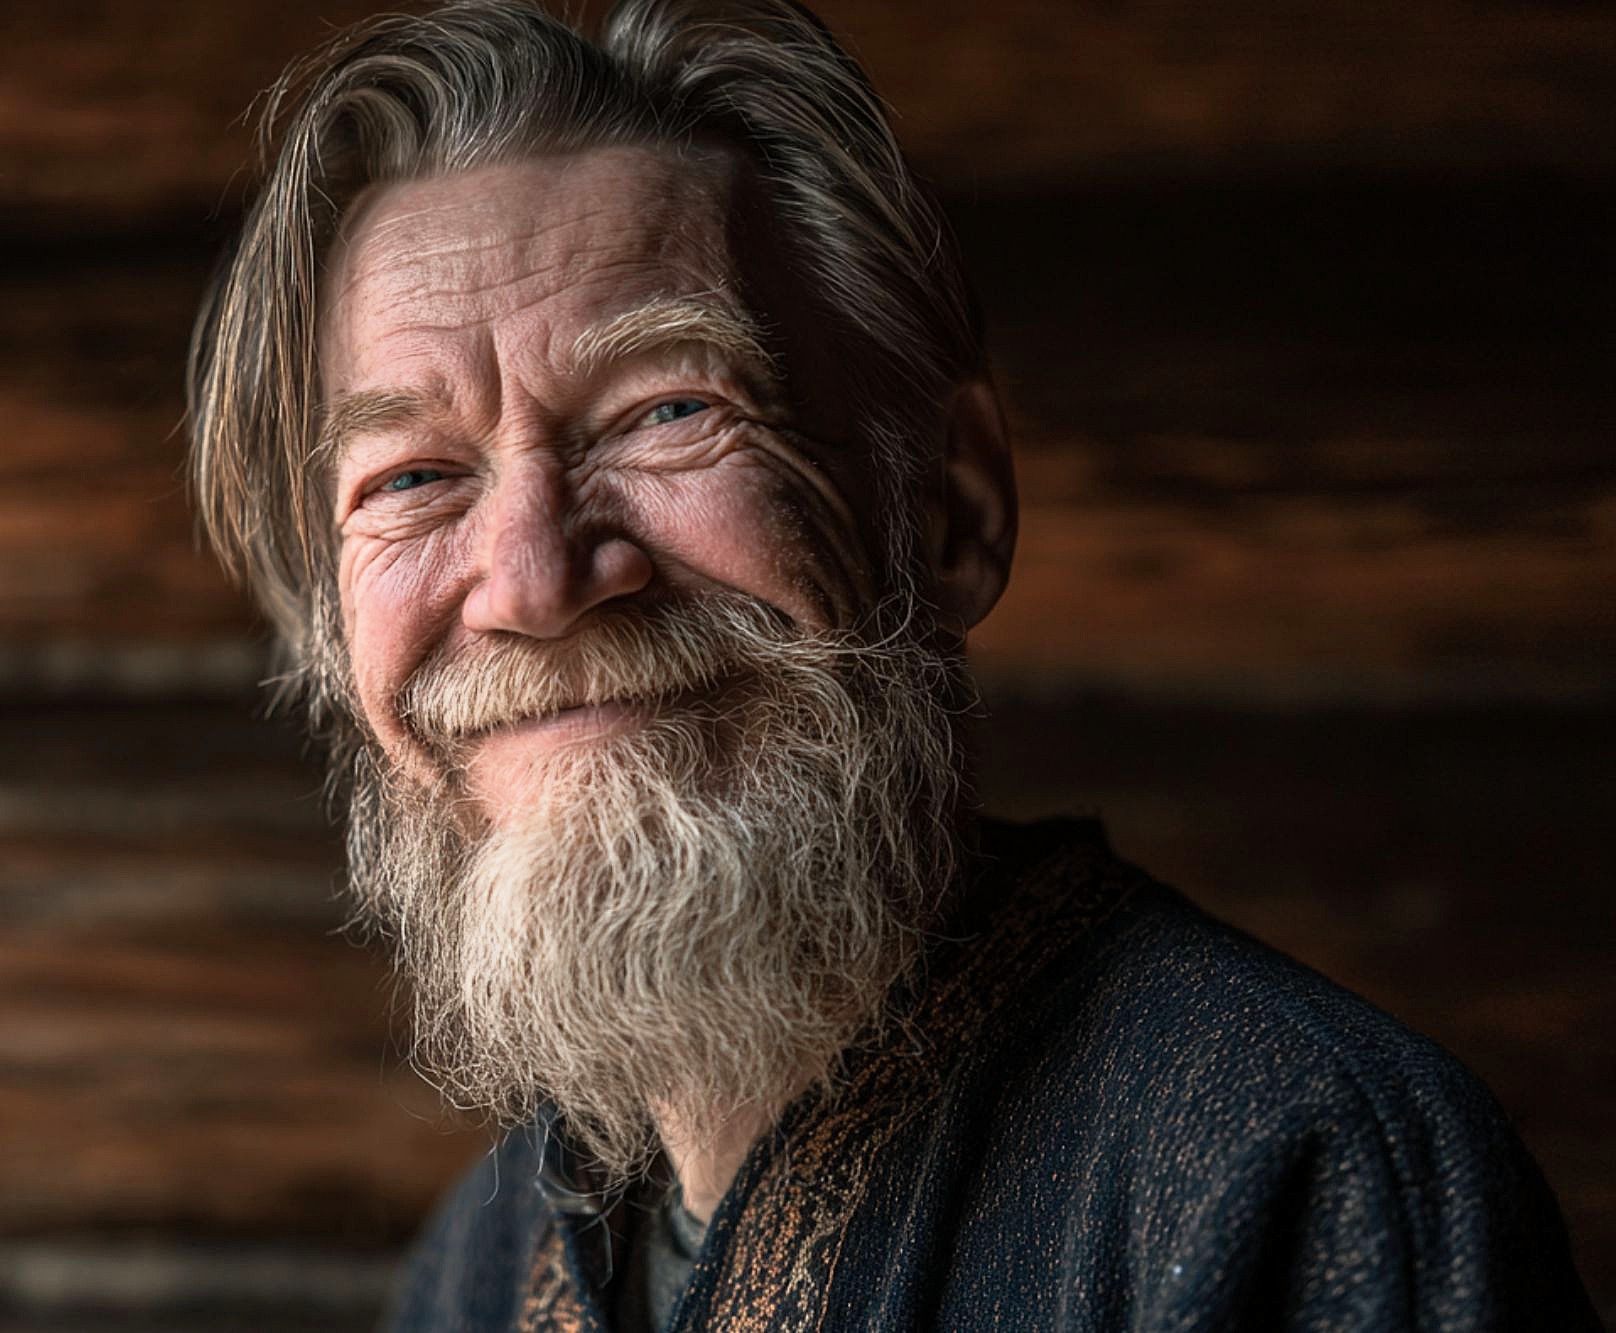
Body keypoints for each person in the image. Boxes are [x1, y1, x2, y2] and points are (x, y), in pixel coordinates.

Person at [183, 0, 1599, 1327]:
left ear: (954, 504)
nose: (541, 583)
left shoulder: (1300, 1166)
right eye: (414, 476)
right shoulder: (479, 1270)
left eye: (671, 404)